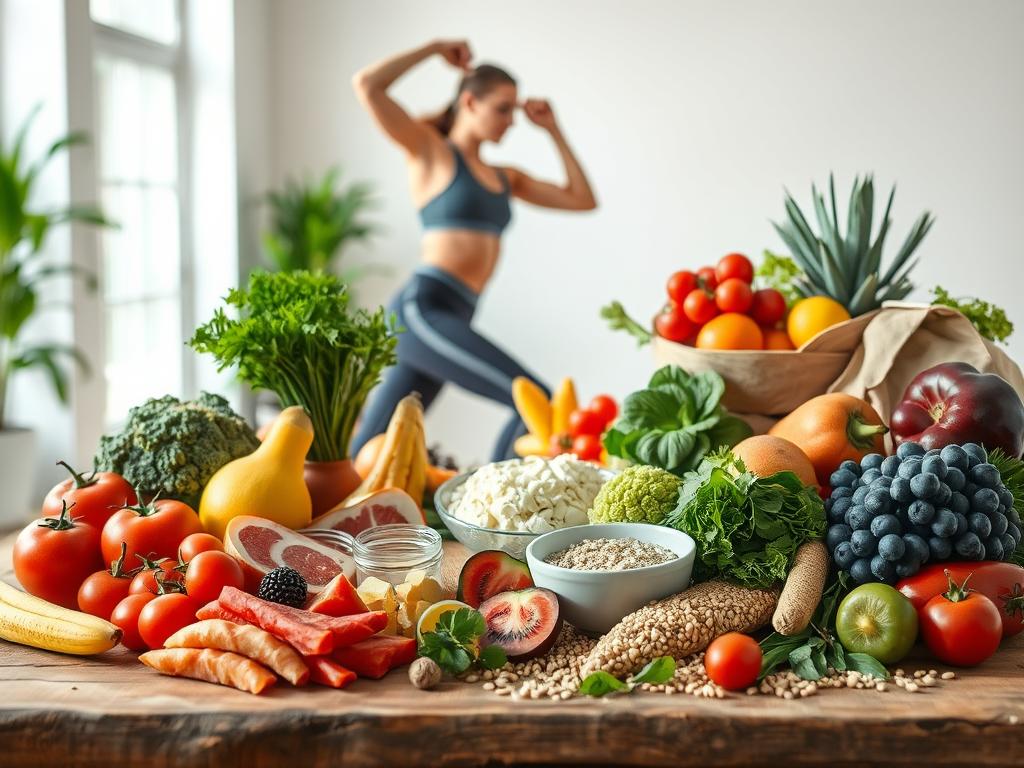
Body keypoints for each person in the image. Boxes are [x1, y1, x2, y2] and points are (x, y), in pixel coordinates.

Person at [349, 39, 597, 462]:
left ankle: (334, 513)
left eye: (515, 111)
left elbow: (582, 198)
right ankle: (492, 518)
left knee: (376, 448)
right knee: (535, 402)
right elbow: (368, 84)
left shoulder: (506, 178)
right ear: (469, 101)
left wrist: (553, 129)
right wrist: (433, 50)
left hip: (456, 313)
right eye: (503, 108)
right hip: (423, 310)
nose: (510, 121)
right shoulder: (432, 152)